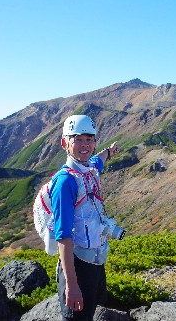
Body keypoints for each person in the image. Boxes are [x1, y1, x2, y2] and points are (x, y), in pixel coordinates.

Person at [49, 114, 120, 320]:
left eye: (89, 140)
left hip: (96, 263)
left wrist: (109, 151)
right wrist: (71, 285)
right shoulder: (65, 182)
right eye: (78, 139)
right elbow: (62, 236)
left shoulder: (90, 168)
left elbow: (100, 159)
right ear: (65, 143)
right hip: (77, 267)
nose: (84, 145)